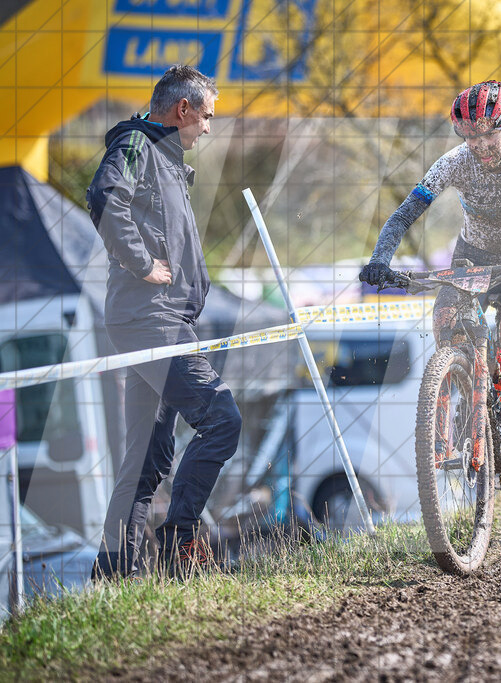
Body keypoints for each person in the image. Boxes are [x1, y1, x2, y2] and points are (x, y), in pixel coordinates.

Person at [359, 80, 501, 491]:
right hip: (473, 257)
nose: (480, 146)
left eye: (488, 135)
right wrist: (380, 259)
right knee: (445, 322)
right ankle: (463, 388)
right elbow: (402, 216)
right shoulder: (453, 162)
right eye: (470, 137)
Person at [86, 64, 240, 579]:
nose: (209, 127)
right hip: (151, 319)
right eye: (207, 116)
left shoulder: (167, 158)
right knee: (221, 419)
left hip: (161, 319)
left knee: (147, 460)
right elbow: (106, 198)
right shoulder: (135, 144)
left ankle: (113, 576)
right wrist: (141, 262)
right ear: (184, 110)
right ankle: (180, 545)